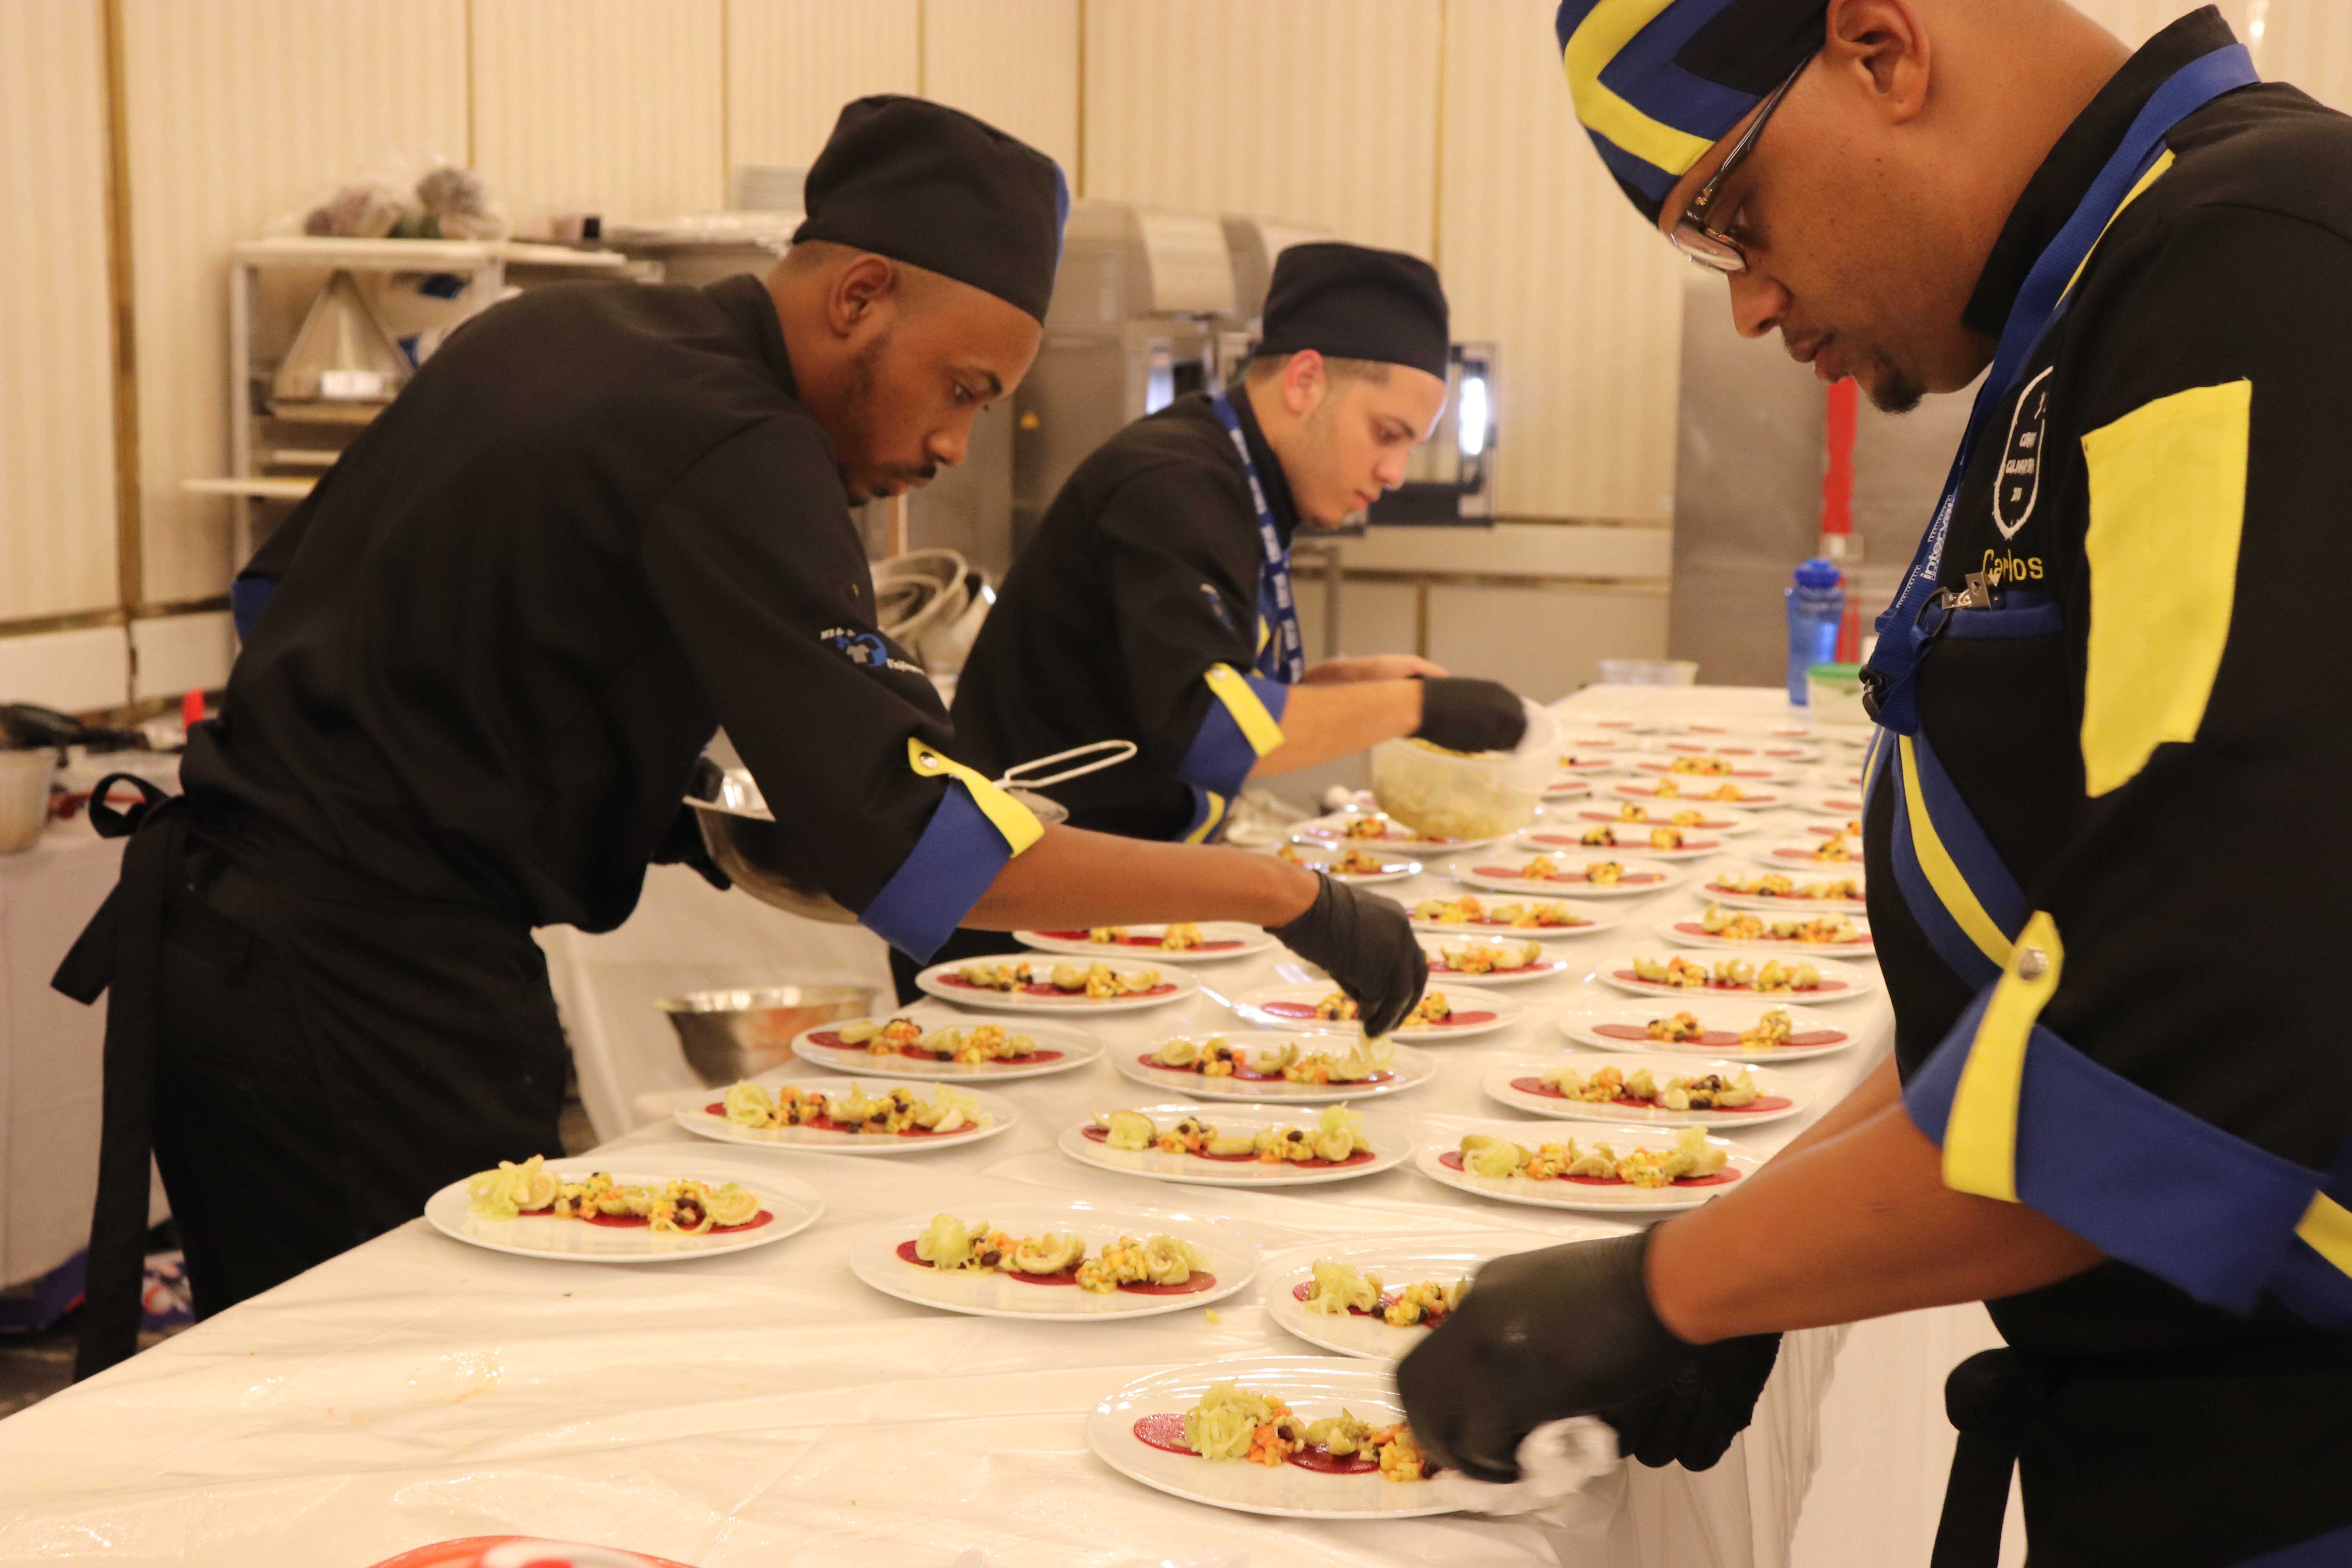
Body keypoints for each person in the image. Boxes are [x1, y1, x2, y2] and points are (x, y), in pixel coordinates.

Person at [54, 97, 1425, 1380]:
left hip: (229, 954)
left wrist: (652, 787)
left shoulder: (552, 333)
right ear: (857, 297)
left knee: (285, 1395)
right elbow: (929, 852)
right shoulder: (739, 440)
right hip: (368, 999)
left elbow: (285, 602)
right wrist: (1286, 895)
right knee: (420, 1407)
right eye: (956, 388)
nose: (955, 445)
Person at [1400, 4, 2352, 1564]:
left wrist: (1672, 1288)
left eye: (1731, 216)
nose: (1751, 306)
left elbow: (2193, 1046)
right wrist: (1739, 1251)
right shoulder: (2102, 297)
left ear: (1880, 45)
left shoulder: (2252, 263)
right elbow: (2045, 959)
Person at [926, 243, 1529, 993]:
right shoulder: (1178, 484)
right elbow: (1209, 729)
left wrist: (1353, 684)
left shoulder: (1237, 478)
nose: (1395, 474)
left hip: (1113, 914)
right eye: (1387, 434)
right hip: (1015, 933)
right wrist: (1417, 708)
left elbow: (1191, 685)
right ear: (1307, 380)